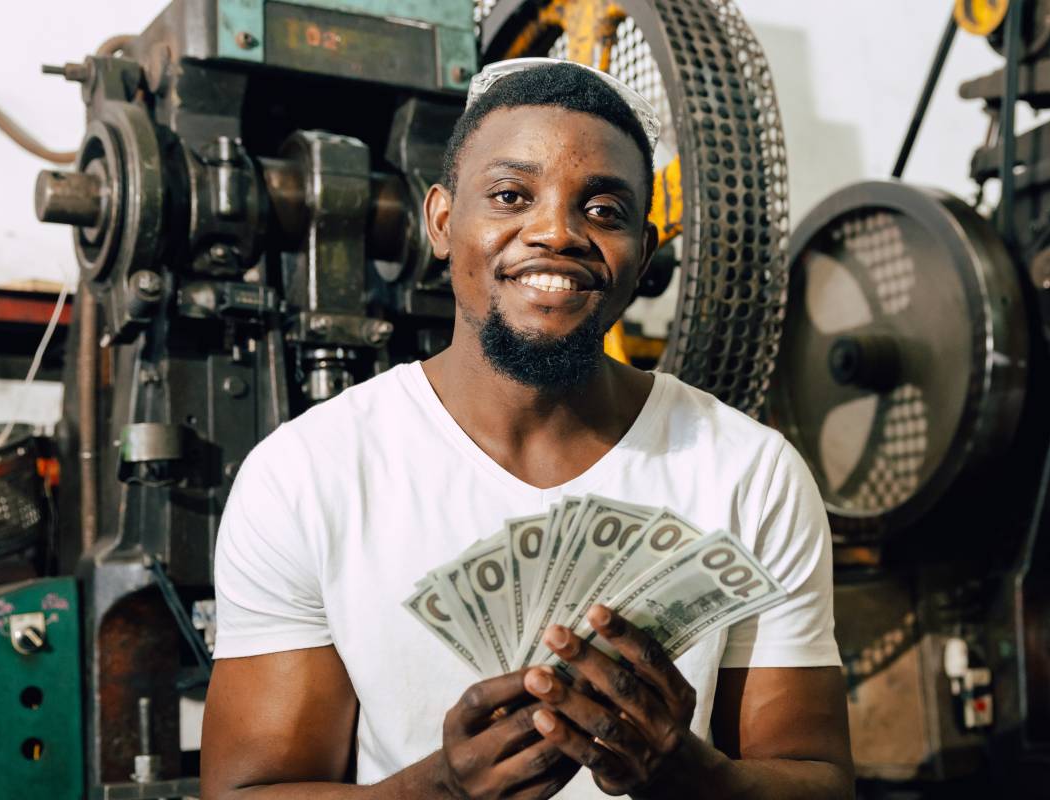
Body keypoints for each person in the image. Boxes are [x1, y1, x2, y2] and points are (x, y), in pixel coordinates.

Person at [199, 59, 851, 799]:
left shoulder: (749, 474)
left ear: (645, 251)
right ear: (443, 222)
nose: (555, 231)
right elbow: (246, 792)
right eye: (511, 195)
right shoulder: (306, 475)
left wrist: (684, 774)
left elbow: (820, 782)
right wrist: (439, 790)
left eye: (603, 210)